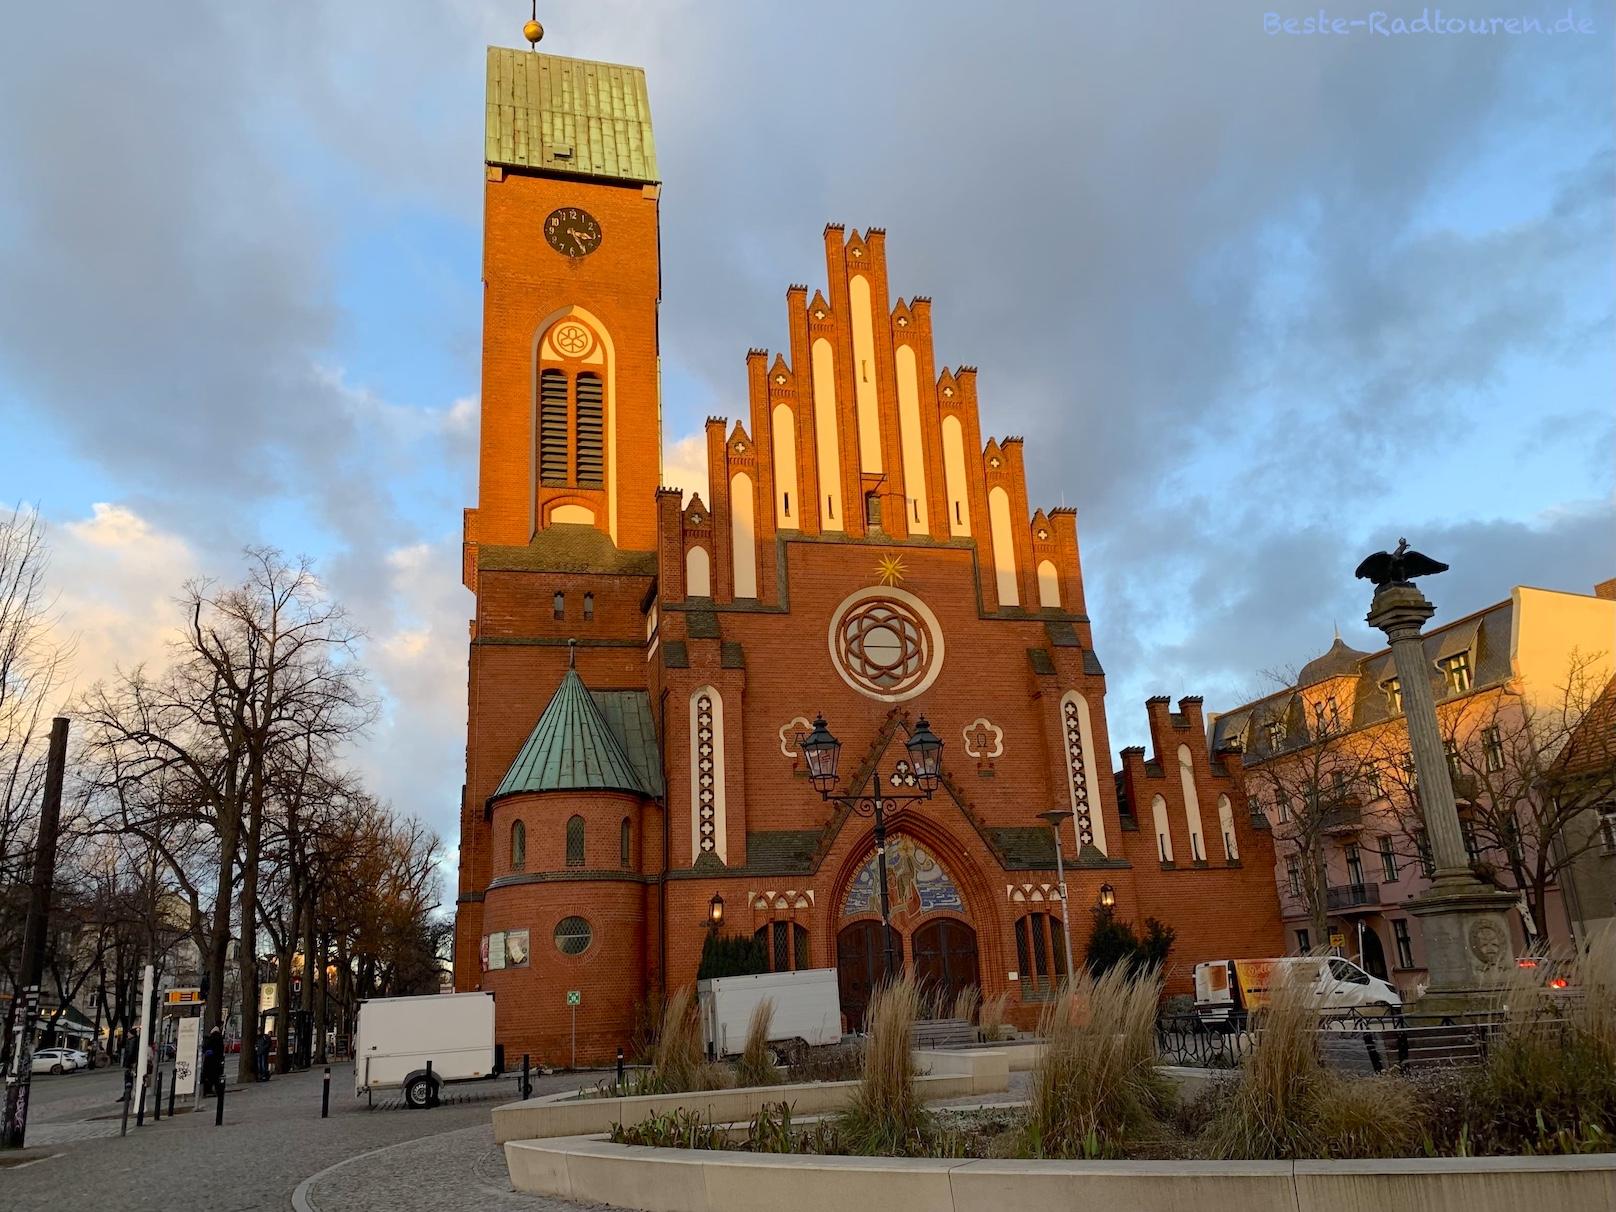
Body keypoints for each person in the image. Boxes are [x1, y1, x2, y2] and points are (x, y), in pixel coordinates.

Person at [201, 1025, 223, 1097]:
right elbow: (220, 1050)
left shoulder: (209, 1039)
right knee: (216, 1077)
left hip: (208, 1061)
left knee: (207, 1077)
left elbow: (204, 1049)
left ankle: (206, 1090)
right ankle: (215, 1090)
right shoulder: (219, 1038)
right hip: (216, 1061)